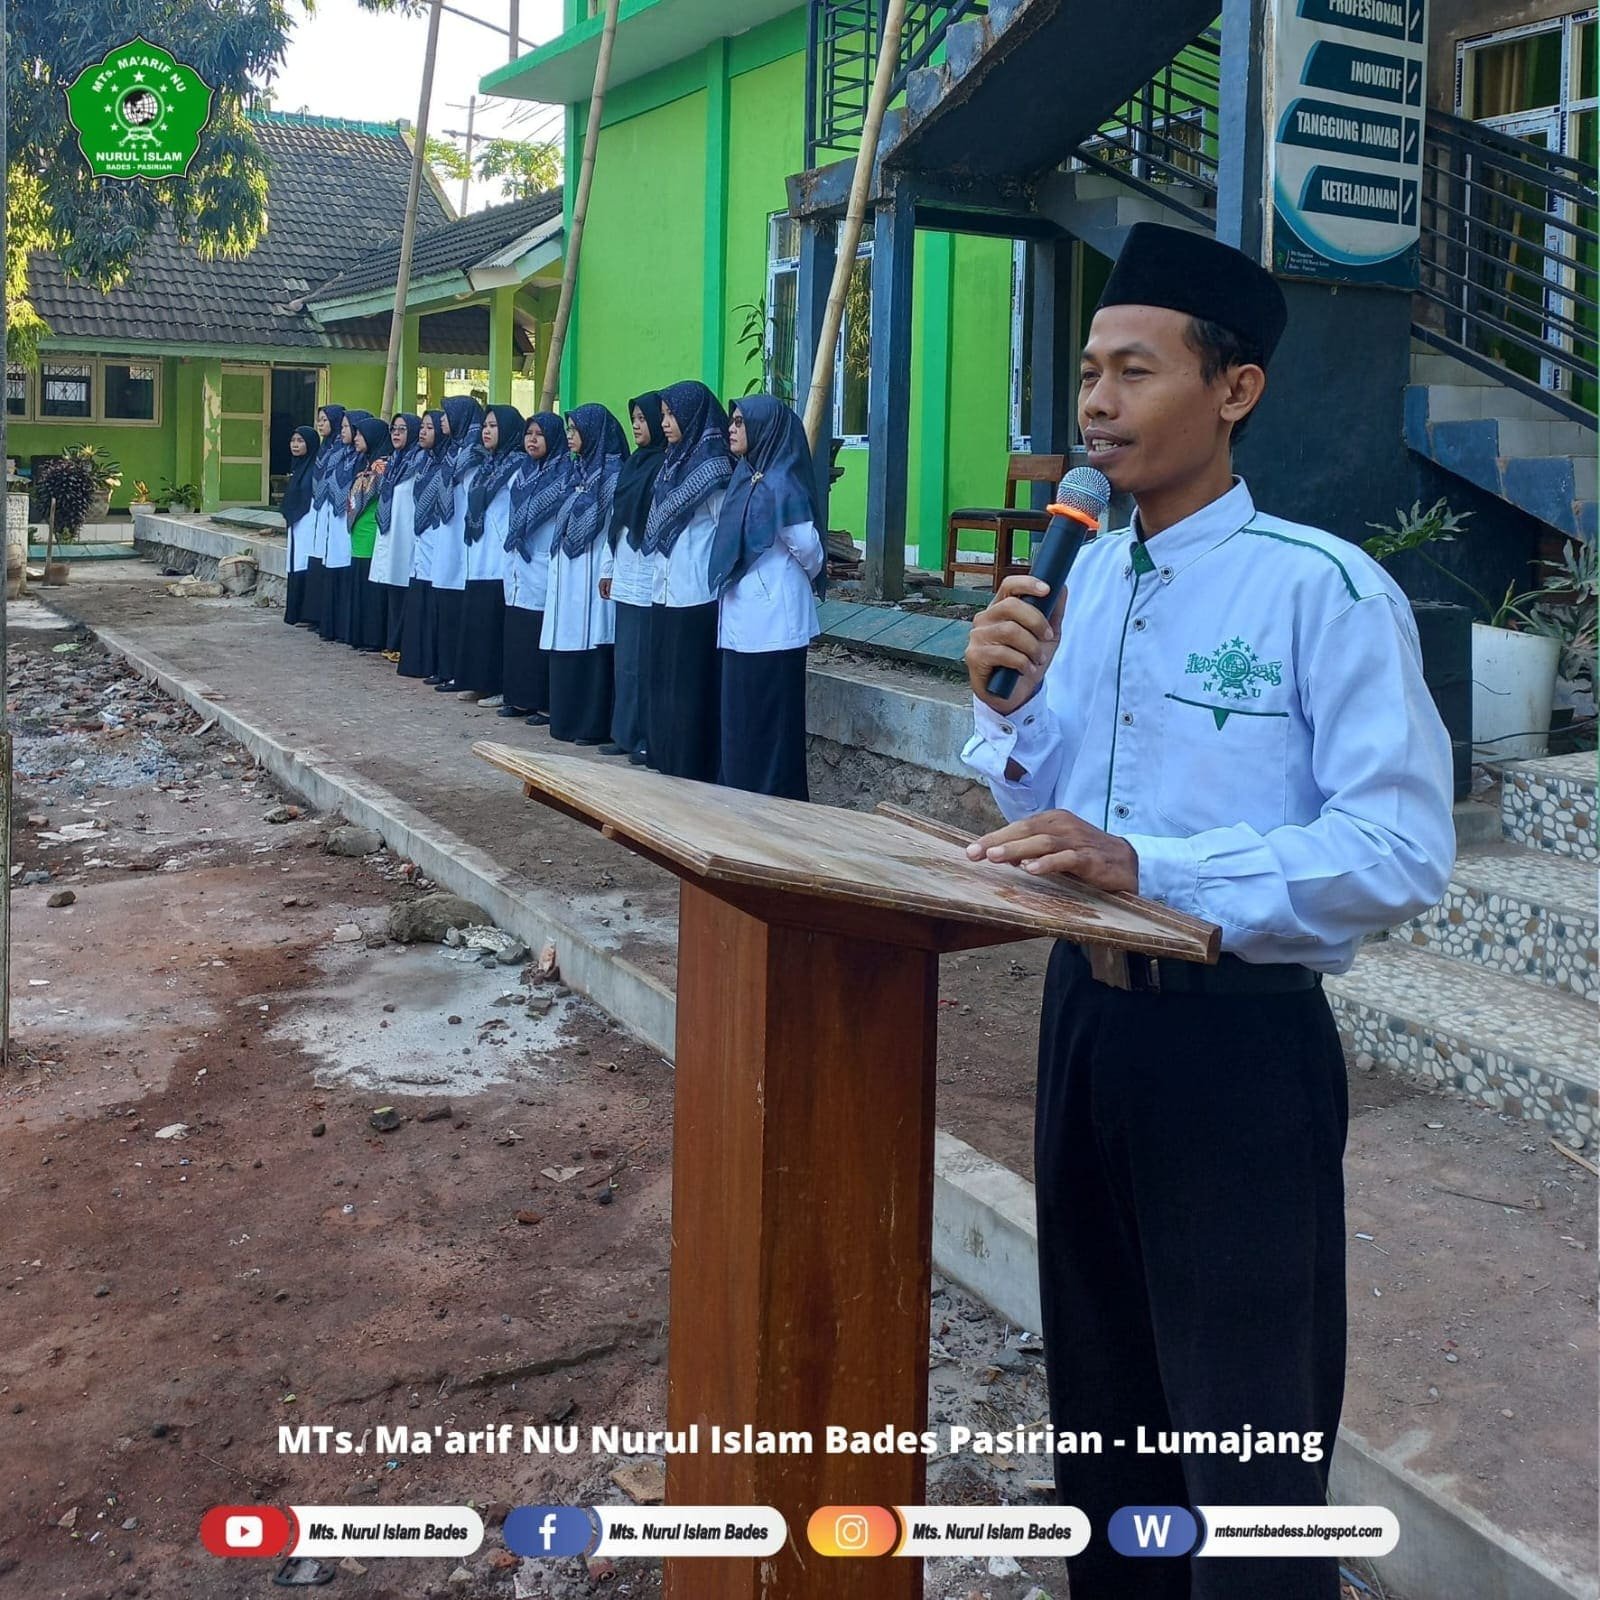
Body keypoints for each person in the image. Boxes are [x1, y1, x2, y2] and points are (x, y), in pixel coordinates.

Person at [959, 222, 1455, 1600]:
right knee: (1108, 1420)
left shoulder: (1322, 591)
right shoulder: (1087, 576)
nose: (1097, 403)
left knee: (1244, 1447)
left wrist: (1154, 869)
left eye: (1135, 371)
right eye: (1087, 372)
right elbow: (1060, 801)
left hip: (1237, 1050)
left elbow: (1397, 848)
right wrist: (1009, 711)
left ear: (1234, 390)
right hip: (1086, 1026)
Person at [709, 394, 824, 800]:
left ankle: (774, 801)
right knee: (741, 715)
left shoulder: (781, 482)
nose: (732, 429)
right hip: (742, 617)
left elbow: (808, 548)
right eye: (732, 421)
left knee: (772, 720)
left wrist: (786, 580)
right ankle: (740, 793)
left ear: (764, 429)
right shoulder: (744, 477)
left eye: (740, 422)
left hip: (775, 620)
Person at [641, 380, 733, 781]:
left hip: (696, 592)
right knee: (665, 678)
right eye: (663, 414)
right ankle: (665, 754)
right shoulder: (672, 462)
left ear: (693, 415)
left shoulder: (713, 466)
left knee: (689, 683)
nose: (665, 422)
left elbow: (724, 527)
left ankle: (690, 763)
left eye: (671, 414)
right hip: (665, 586)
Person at [540, 403, 628, 744]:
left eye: (575, 429)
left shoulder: (613, 475)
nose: (569, 436)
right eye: (569, 429)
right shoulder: (576, 471)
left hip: (594, 567)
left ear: (594, 433)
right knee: (567, 637)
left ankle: (591, 726)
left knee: (592, 639)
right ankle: (565, 719)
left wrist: (607, 568)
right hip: (568, 568)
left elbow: (614, 527)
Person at [598, 392, 667, 763]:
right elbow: (616, 519)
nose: (637, 426)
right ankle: (623, 733)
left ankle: (643, 737)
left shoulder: (664, 465)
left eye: (643, 419)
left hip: (648, 575)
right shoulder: (634, 464)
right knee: (624, 661)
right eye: (634, 419)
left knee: (643, 663)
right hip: (625, 573)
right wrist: (608, 569)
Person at [499, 411, 570, 722]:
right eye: (529, 434)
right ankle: (518, 698)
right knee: (518, 631)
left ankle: (542, 702)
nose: (532, 440)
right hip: (519, 561)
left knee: (539, 631)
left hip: (543, 561)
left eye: (540, 435)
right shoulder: (521, 473)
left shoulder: (565, 473)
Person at [454, 403, 526, 704]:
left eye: (494, 426)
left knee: (495, 622)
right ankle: (479, 682)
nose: (486, 431)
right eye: (485, 425)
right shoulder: (488, 465)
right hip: (479, 552)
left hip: (500, 556)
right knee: (478, 621)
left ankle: (498, 686)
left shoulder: (518, 465)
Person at [428, 395, 484, 692]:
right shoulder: (452, 452)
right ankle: (443, 667)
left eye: (447, 414)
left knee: (457, 607)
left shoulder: (474, 454)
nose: (441, 420)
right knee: (444, 604)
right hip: (446, 537)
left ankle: (455, 673)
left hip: (462, 542)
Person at [397, 409, 447, 680]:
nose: (423, 432)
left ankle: (432, 663)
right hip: (421, 539)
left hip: (438, 539)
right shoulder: (422, 462)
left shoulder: (448, 464)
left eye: (430, 427)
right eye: (423, 427)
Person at [369, 412, 422, 658]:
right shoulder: (393, 463)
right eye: (394, 429)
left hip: (406, 534)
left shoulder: (418, 462)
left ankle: (399, 643)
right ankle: (391, 642)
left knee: (402, 585)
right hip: (391, 532)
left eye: (402, 429)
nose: (396, 434)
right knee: (391, 586)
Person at [319, 408, 371, 645]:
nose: (343, 432)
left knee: (346, 571)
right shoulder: (340, 455)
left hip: (351, 521)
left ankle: (344, 628)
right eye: (342, 427)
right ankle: (332, 626)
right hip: (336, 519)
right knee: (334, 569)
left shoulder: (364, 460)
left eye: (348, 427)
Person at [345, 414, 393, 650]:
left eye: (361, 434)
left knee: (369, 586)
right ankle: (360, 635)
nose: (356, 438)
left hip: (371, 532)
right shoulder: (367, 463)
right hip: (360, 532)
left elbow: (367, 498)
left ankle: (371, 638)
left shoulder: (381, 466)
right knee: (360, 583)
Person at [302, 402, 347, 630]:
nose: (320, 424)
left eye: (324, 420)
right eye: (318, 420)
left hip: (336, 514)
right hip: (321, 511)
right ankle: (316, 616)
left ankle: (328, 619)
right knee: (318, 560)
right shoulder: (325, 448)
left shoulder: (343, 449)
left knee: (332, 562)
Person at [280, 424, 320, 628]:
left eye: (300, 441)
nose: (295, 445)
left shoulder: (314, 468)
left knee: (304, 562)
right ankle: (294, 611)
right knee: (295, 562)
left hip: (309, 522)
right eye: (293, 441)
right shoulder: (298, 468)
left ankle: (305, 613)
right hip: (297, 524)